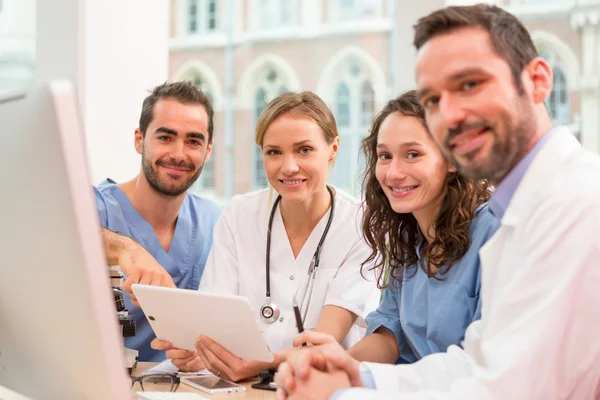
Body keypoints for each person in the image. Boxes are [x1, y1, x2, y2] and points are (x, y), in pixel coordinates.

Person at [275, 4, 600, 399]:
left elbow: (508, 388)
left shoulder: (577, 205)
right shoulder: (518, 213)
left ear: (538, 80)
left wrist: (342, 393)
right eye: (432, 99)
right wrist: (355, 374)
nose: (449, 114)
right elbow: (474, 360)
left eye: (470, 84)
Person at [152, 91, 380, 381]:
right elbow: (215, 319)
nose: (289, 166)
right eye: (274, 152)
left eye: (304, 150)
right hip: (241, 388)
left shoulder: (362, 224)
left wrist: (263, 361)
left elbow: (324, 342)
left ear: (333, 149)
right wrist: (200, 351)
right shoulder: (239, 215)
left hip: (319, 388)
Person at [287, 90, 497, 368]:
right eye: (384, 156)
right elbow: (390, 335)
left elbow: (487, 360)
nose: (394, 173)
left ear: (451, 159)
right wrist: (333, 366)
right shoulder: (409, 239)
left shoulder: (493, 231)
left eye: (412, 154)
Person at [96, 81, 221, 362]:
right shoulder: (95, 207)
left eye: (193, 141)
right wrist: (126, 248)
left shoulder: (215, 223)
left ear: (208, 150)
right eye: (165, 137)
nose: (179, 154)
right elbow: (59, 234)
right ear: (139, 140)